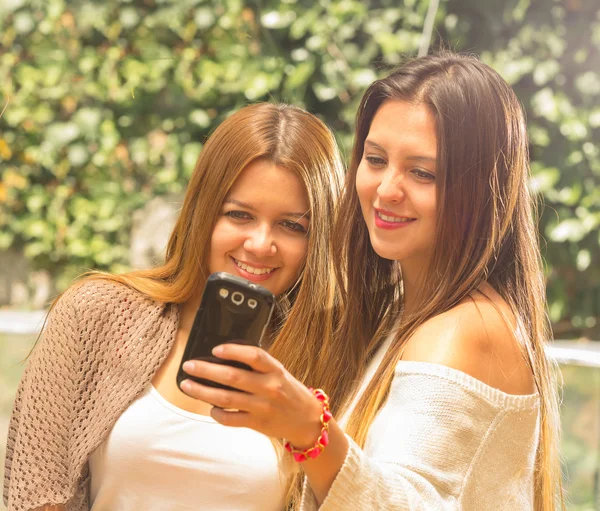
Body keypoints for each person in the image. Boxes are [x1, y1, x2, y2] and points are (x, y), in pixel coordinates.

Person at [178, 52, 563, 510]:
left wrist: (308, 429)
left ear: (479, 190)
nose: (386, 190)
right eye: (375, 159)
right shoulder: (401, 314)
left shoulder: (464, 329)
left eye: (422, 172)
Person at [3, 102, 345, 511]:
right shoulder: (95, 314)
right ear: (203, 211)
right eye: (239, 215)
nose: (260, 244)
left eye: (292, 226)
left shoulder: (334, 357)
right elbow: (35, 492)